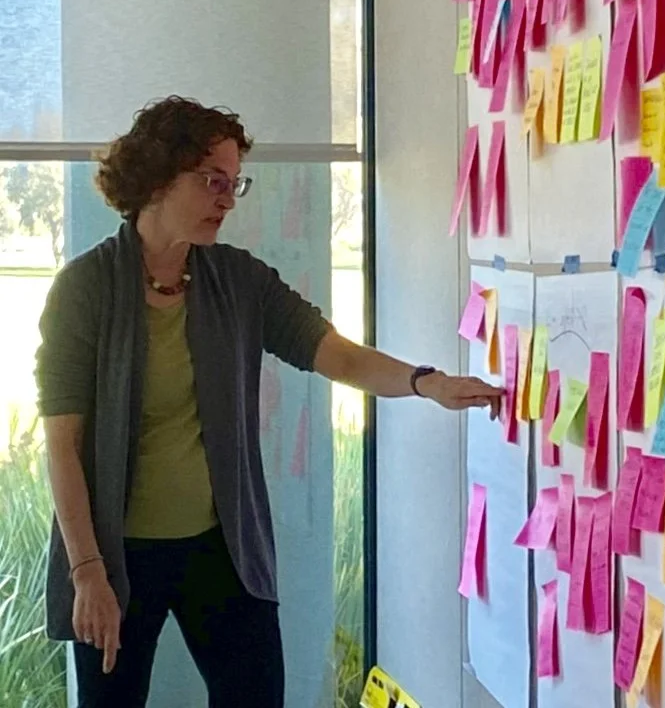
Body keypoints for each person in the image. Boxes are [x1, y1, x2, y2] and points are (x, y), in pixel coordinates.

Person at [34, 95, 503, 708]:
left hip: (221, 549)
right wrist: (86, 571)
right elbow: (62, 448)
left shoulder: (239, 280)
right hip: (114, 556)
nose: (228, 199)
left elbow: (337, 354)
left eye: (235, 183)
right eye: (212, 181)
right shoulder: (84, 289)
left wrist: (426, 382)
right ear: (156, 177)